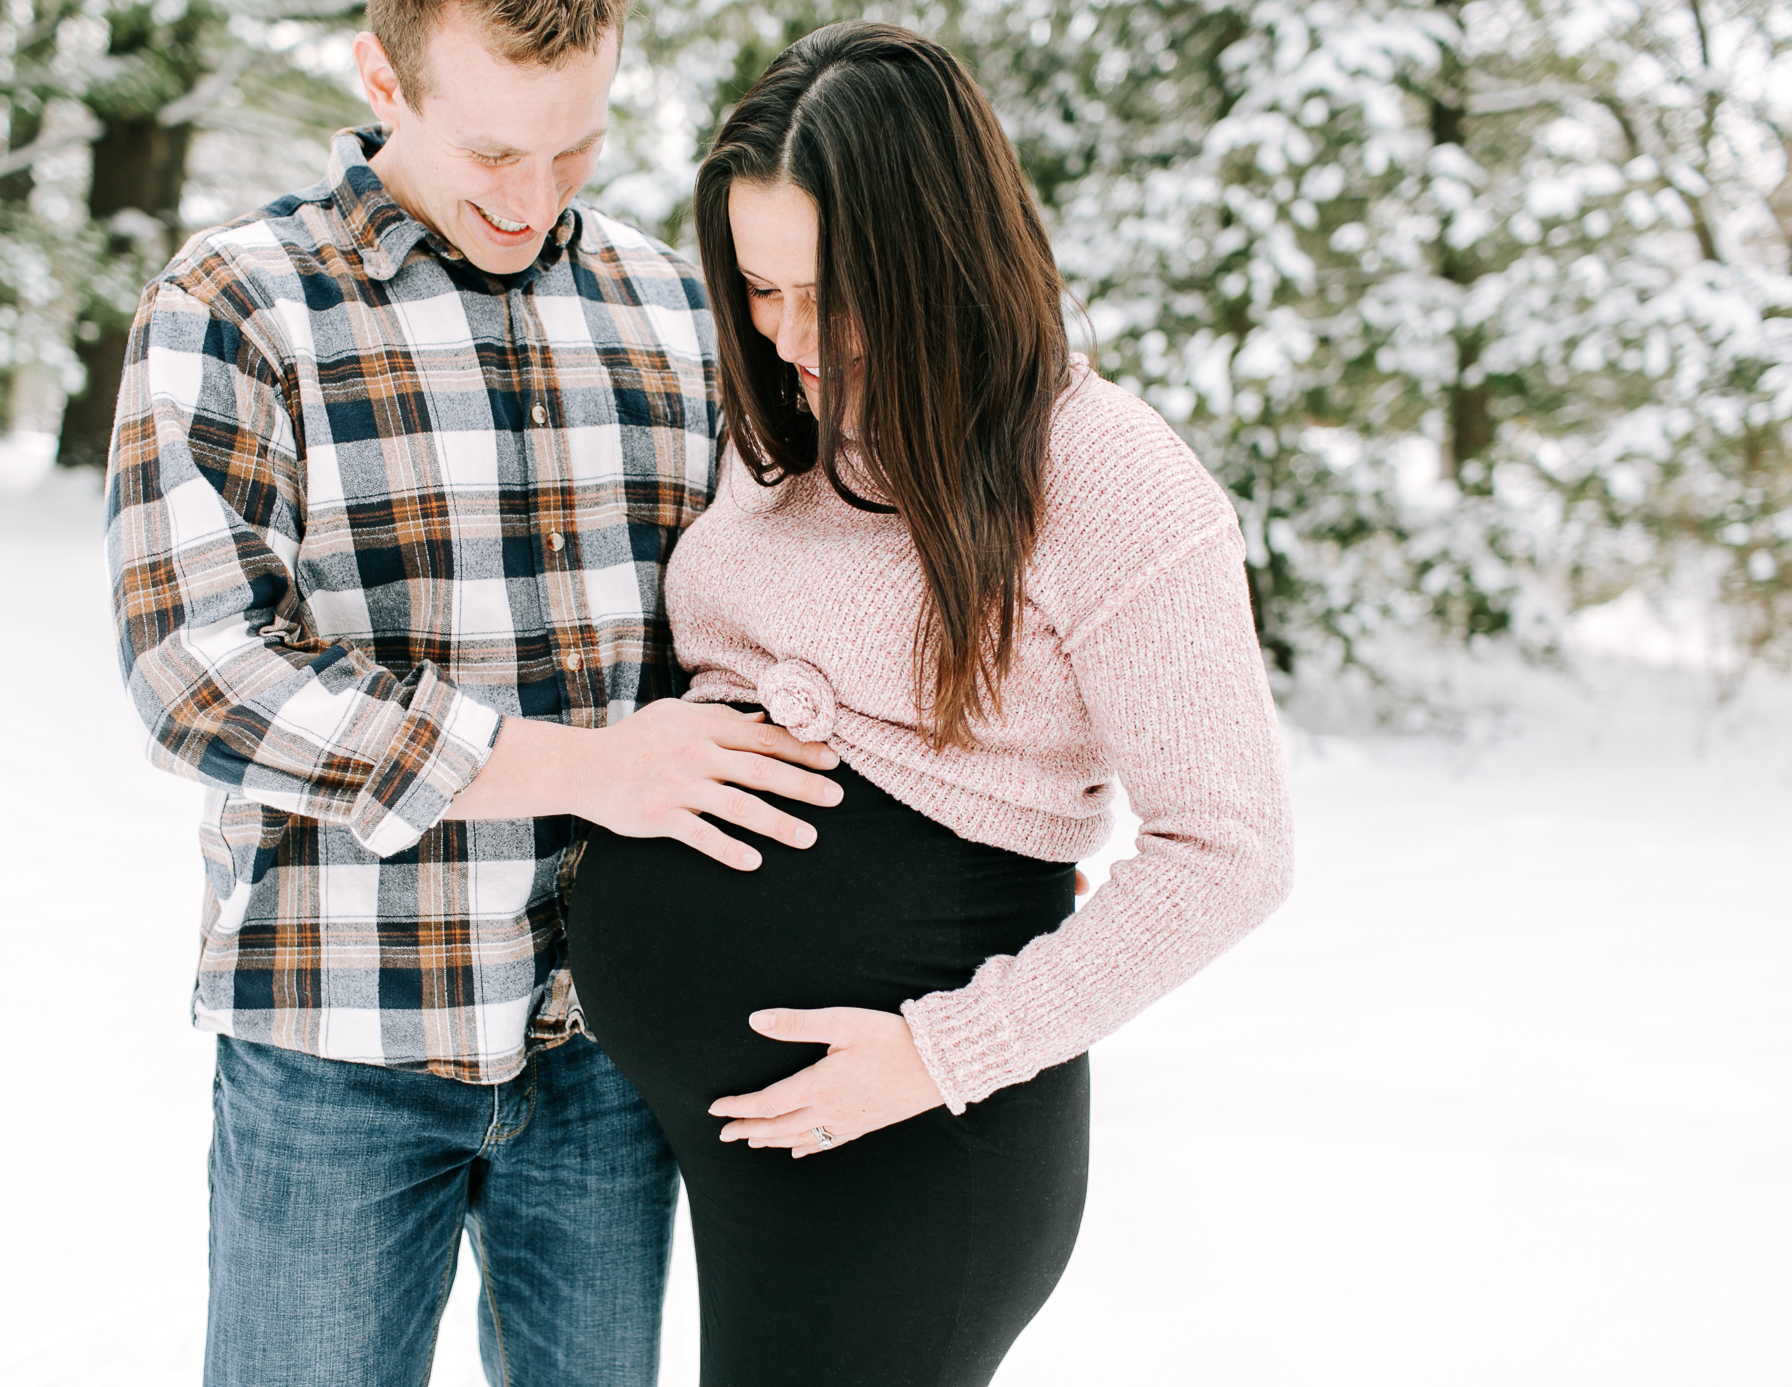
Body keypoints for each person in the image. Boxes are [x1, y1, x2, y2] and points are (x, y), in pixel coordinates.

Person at [103, 2, 843, 1382]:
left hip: (612, 1045)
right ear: (382, 78)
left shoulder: (673, 304)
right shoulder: (234, 305)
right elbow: (198, 676)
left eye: (576, 150)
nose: (533, 196)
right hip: (342, 1037)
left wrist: (979, 815)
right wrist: (589, 769)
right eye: (495, 148)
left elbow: (781, 614)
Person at [565, 21, 1296, 1386]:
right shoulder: (784, 427)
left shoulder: (1111, 482)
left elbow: (1231, 851)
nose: (783, 338)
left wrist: (938, 1052)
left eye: (824, 294)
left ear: (937, 256)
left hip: (911, 1148)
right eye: (758, 289)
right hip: (743, 1141)